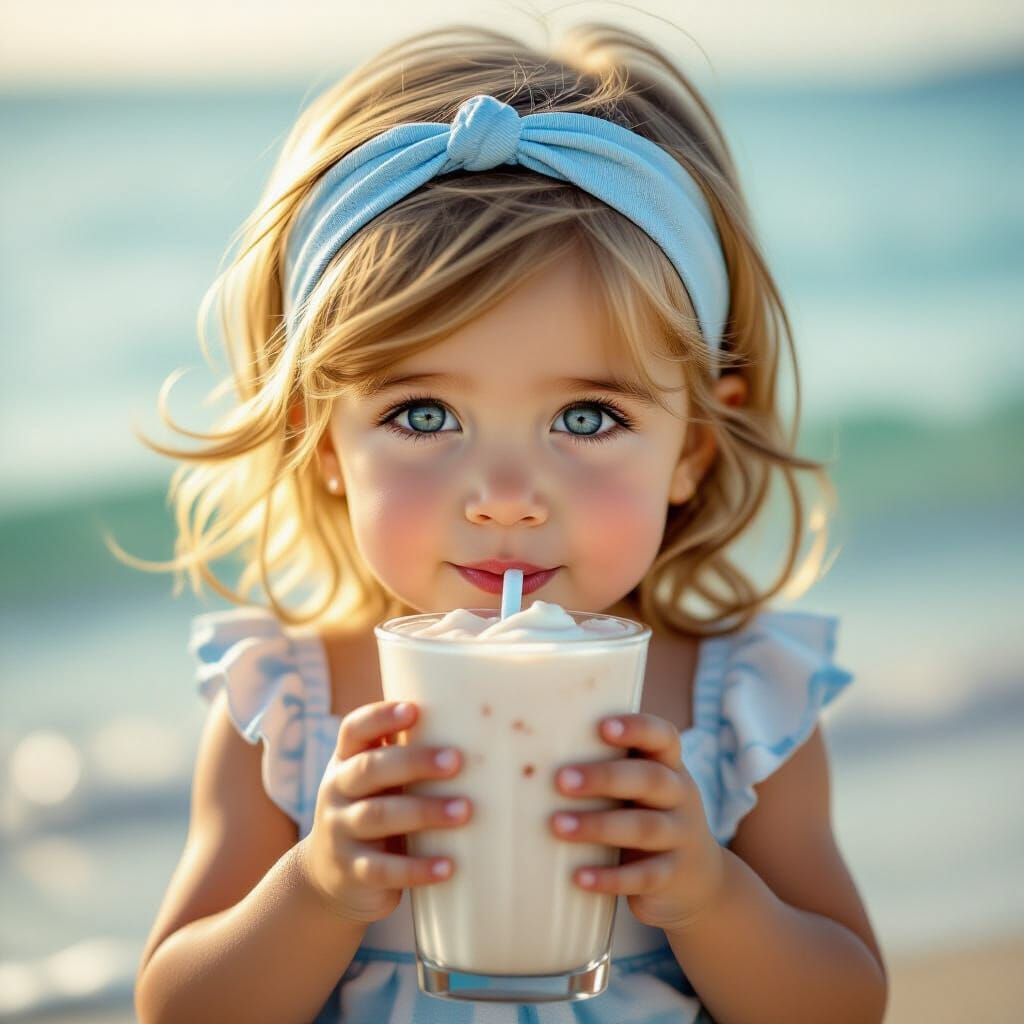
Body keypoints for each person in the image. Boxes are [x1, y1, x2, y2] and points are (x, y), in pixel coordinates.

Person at [123, 21, 888, 1024]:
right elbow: (179, 1006)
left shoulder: (740, 703)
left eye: (588, 418)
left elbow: (843, 1002)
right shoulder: (289, 705)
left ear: (694, 448)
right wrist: (317, 889)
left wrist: (711, 897)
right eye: (422, 415)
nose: (506, 495)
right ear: (322, 440)